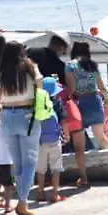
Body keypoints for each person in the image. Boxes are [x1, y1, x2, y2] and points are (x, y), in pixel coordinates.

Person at [0, 41, 41, 215]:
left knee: (17, 163)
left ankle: (22, 200)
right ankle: (23, 201)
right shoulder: (30, 68)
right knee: (30, 161)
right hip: (28, 115)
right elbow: (39, 92)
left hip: (7, 116)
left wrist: (5, 111)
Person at [66, 41, 108, 150]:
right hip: (94, 101)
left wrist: (65, 99)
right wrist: (106, 99)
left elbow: (72, 88)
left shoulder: (70, 65)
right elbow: (101, 86)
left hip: (80, 102)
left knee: (78, 137)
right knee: (100, 137)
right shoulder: (92, 65)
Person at [34, 76, 68, 204]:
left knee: (41, 169)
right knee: (56, 168)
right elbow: (64, 121)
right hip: (54, 139)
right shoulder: (57, 103)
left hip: (40, 141)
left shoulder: (36, 104)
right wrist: (66, 134)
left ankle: (40, 192)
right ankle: (55, 194)